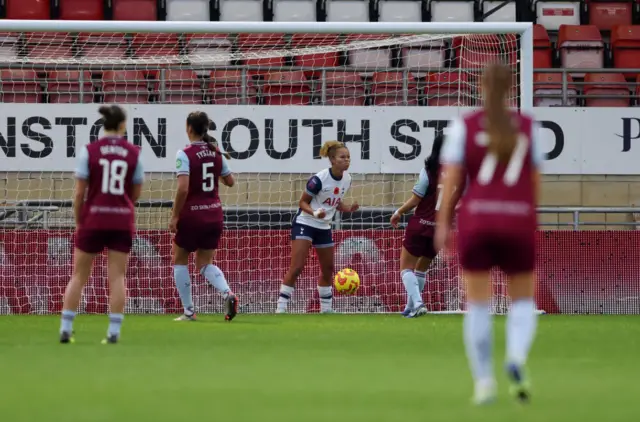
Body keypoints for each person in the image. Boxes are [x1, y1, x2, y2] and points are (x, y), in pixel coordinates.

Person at [435, 63, 543, 405]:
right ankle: (516, 357)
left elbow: (452, 179)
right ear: (512, 87)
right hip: (518, 220)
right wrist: (529, 218)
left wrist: (442, 224)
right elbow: (536, 180)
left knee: (478, 304)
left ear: (480, 85)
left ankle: (484, 381)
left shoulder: (463, 126)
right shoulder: (528, 127)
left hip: (477, 220)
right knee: (523, 299)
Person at [59, 105, 144, 344]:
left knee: (79, 275)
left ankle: (66, 328)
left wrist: (79, 221)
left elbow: (78, 193)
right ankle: (113, 333)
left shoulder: (89, 151)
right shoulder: (134, 153)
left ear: (103, 125)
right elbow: (135, 193)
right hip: (120, 219)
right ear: (122, 125)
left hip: (93, 218)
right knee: (117, 277)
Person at [276, 141, 359, 314]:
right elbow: (302, 202)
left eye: (348, 157)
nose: (347, 160)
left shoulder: (347, 179)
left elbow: (334, 202)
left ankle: (326, 310)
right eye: (342, 157)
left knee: (328, 268)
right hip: (305, 223)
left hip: (324, 227)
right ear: (332, 160)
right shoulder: (319, 179)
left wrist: (348, 208)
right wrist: (314, 213)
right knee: (297, 267)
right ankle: (281, 309)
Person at [171, 111, 237, 322]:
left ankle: (189, 311)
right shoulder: (216, 152)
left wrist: (174, 216)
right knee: (205, 262)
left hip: (192, 215)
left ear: (189, 128)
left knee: (180, 259)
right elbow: (230, 181)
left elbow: (182, 189)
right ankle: (227, 293)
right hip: (214, 214)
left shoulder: (184, 153)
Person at [391, 135, 446, 318]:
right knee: (421, 269)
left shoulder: (429, 170)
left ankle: (419, 303)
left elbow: (416, 199)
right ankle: (411, 308)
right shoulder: (459, 174)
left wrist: (399, 212)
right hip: (439, 229)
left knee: (406, 268)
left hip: (420, 225)